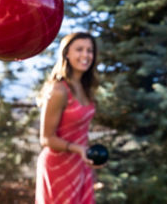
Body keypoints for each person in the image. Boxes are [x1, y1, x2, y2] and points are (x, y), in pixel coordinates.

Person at [35, 32, 102, 204]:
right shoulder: (58, 90)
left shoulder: (85, 87)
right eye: (79, 49)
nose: (85, 55)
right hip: (57, 166)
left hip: (80, 164)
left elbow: (82, 130)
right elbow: (46, 138)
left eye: (90, 50)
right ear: (66, 53)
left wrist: (88, 159)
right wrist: (78, 149)